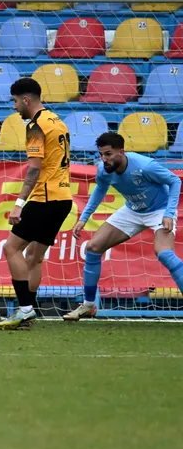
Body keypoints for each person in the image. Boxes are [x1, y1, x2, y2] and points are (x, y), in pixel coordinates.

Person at [65, 132, 182, 320]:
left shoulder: (145, 166)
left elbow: (175, 181)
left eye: (108, 154)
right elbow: (100, 190)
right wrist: (83, 218)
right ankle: (88, 305)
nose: (104, 159)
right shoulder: (104, 170)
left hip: (159, 210)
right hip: (133, 210)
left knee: (164, 254)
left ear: (122, 152)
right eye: (101, 154)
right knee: (93, 248)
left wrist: (169, 213)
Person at [0, 78, 72, 330]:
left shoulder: (35, 126)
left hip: (45, 198)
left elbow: (34, 170)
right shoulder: (57, 121)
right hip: (63, 198)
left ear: (26, 99)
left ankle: (25, 309)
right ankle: (27, 312)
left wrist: (19, 203)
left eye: (16, 101)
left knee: (11, 248)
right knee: (34, 257)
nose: (15, 107)